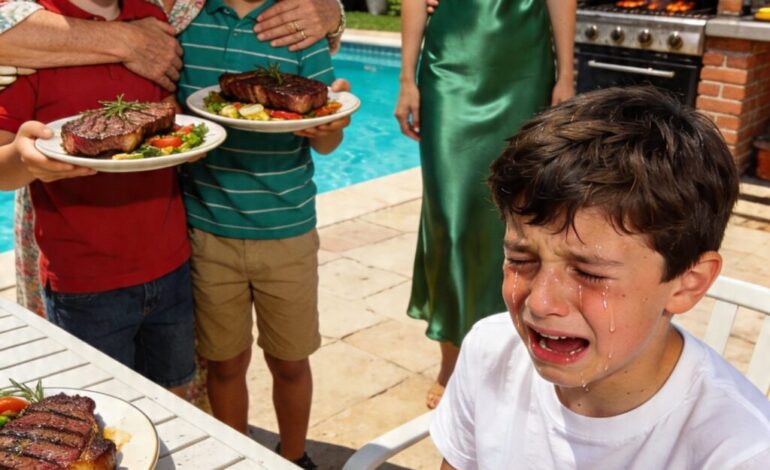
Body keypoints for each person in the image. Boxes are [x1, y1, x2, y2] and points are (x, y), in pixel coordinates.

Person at [432, 86, 770, 469]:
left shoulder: (740, 451)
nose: (540, 303)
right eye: (520, 258)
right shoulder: (490, 352)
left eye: (589, 273)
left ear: (687, 283)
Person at [174, 0, 350, 467]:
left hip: (286, 228)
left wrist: (330, 124)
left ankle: (294, 457)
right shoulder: (190, 21)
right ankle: (236, 457)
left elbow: (329, 139)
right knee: (225, 361)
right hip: (208, 229)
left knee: (290, 361)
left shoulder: (299, 23)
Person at [0, 0, 196, 398]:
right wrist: (26, 158)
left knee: (177, 396)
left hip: (172, 263)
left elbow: (168, 116)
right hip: (83, 280)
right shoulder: (34, 34)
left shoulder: (152, 20)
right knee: (102, 406)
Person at [394, 0, 576, 409]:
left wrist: (565, 74)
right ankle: (453, 356)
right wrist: (407, 77)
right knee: (450, 217)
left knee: (519, 219)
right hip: (450, 63)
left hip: (523, 61)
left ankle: (516, 354)